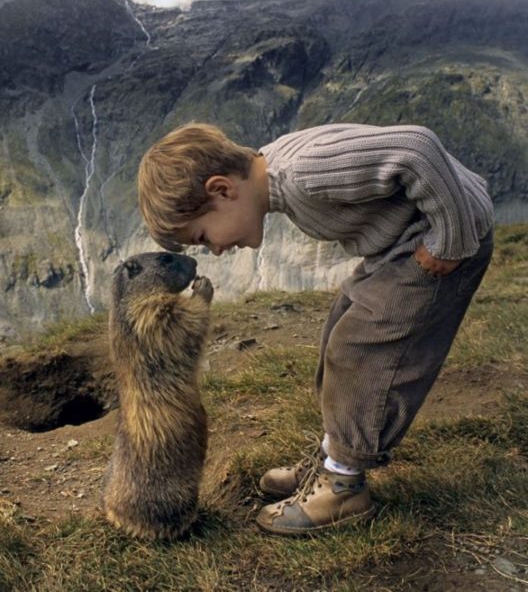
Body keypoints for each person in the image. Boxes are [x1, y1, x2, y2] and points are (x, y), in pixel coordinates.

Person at [137, 121, 494, 537]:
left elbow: (416, 146)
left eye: (203, 236)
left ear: (222, 190)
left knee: (360, 351)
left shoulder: (306, 173)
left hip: (440, 240)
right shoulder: (276, 174)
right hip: (400, 243)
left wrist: (449, 239)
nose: (215, 249)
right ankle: (331, 459)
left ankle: (343, 485)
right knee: (338, 333)